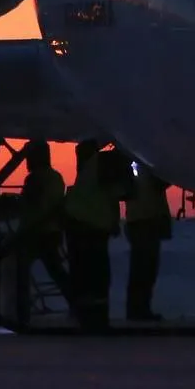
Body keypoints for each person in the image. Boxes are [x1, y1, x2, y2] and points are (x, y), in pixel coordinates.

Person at [62, 141, 118, 330]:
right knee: (96, 275)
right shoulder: (100, 167)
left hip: (81, 226)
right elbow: (119, 193)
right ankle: (94, 317)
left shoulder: (87, 173)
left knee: (83, 275)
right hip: (91, 228)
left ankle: (85, 315)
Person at [17, 140, 69, 292]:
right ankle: (74, 300)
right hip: (52, 230)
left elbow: (29, 203)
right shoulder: (56, 177)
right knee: (56, 270)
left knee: (18, 266)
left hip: (36, 231)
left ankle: (20, 301)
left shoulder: (35, 178)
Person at [124, 162, 172, 321]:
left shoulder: (134, 163)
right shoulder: (147, 165)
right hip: (146, 219)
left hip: (138, 219)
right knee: (145, 269)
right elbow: (161, 183)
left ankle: (137, 309)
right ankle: (139, 310)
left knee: (141, 268)